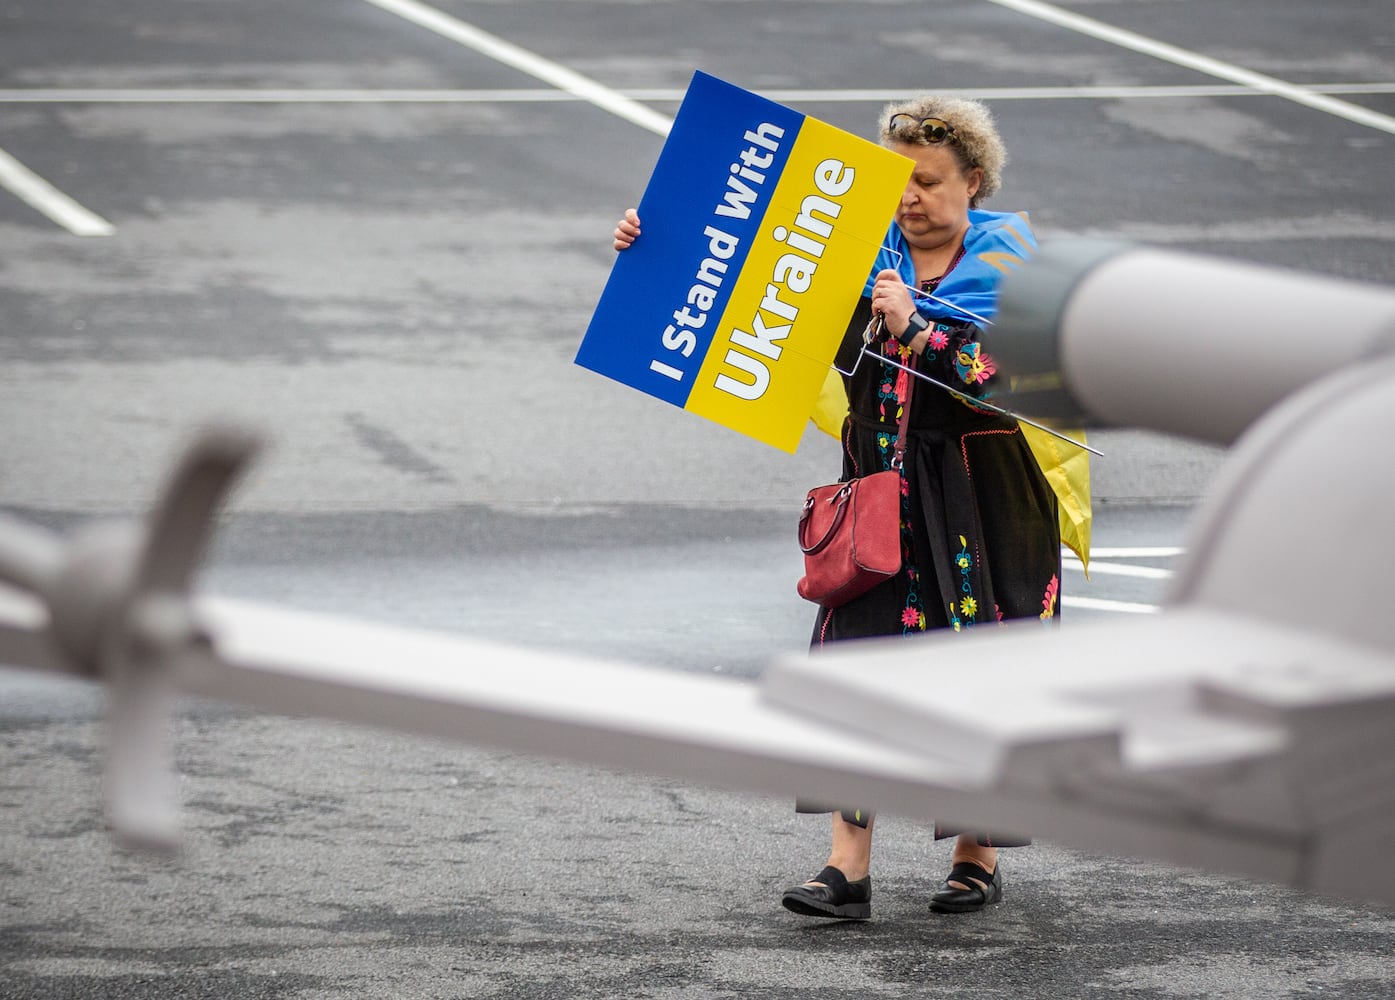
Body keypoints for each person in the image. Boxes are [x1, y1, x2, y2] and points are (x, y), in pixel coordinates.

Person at [613, 94, 1065, 921]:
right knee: (855, 662)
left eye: (927, 182)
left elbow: (1022, 381)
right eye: (897, 181)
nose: (907, 198)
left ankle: (977, 852)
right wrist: (659, 249)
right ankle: (844, 868)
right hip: (878, 487)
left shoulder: (1016, 268)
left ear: (973, 180)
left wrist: (922, 331)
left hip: (982, 493)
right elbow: (743, 289)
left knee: (983, 669)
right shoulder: (848, 253)